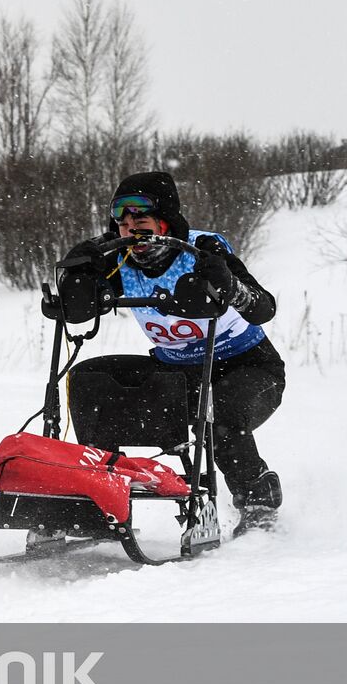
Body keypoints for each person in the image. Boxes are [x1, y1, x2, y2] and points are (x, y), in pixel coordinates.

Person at [57, 171, 285, 533]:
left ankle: (257, 501)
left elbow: (264, 309)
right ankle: (101, 502)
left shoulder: (203, 250)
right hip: (177, 372)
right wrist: (78, 277)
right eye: (124, 224)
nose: (132, 232)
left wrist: (227, 285)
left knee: (218, 415)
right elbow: (78, 313)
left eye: (142, 222)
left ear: (164, 222)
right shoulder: (116, 259)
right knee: (92, 380)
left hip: (248, 367)